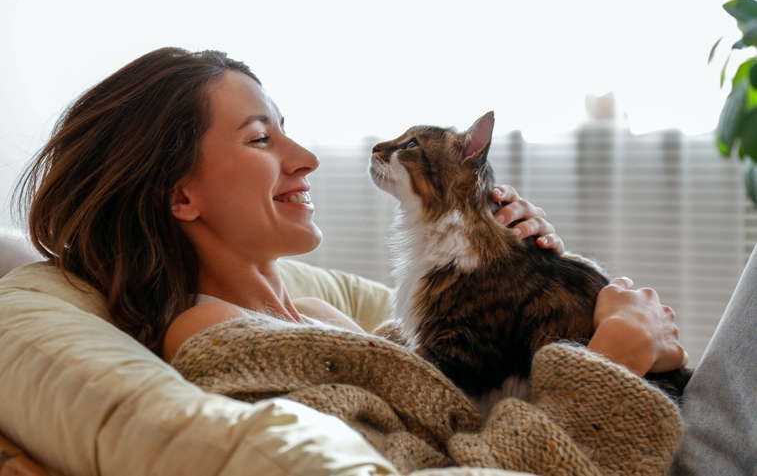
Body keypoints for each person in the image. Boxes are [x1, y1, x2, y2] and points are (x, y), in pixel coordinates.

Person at [17, 47, 689, 473]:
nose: (304, 157)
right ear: (180, 194)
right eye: (260, 137)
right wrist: (608, 361)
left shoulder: (311, 313)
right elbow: (458, 466)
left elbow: (461, 394)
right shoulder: (217, 339)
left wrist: (526, 285)